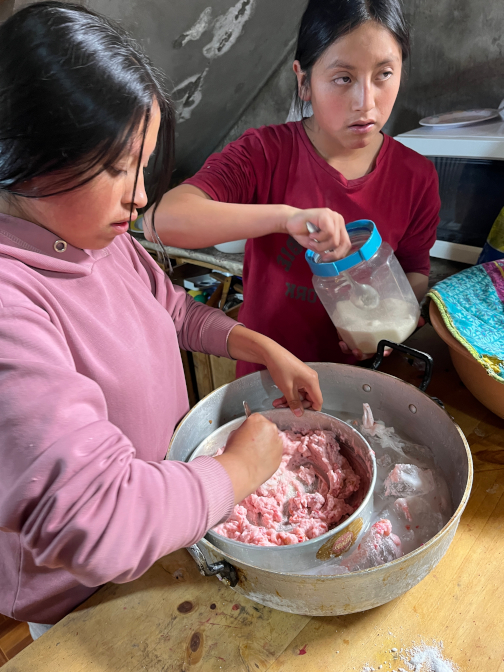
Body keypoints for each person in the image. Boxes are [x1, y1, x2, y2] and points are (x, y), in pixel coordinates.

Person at [0, 2, 324, 636]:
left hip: (169, 528)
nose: (141, 194)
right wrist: (238, 471)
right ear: (33, 153)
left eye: (142, 165)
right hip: (82, 600)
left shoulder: (101, 237)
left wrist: (259, 343)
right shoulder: (12, 303)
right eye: (117, 167)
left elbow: (170, 309)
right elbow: (96, 521)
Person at [148, 0, 440, 376]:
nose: (365, 102)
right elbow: (162, 221)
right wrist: (286, 218)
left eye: (384, 74)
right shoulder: (265, 154)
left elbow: (414, 270)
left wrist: (394, 316)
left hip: (364, 377)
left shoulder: (416, 176)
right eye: (343, 78)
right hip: (269, 378)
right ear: (304, 80)